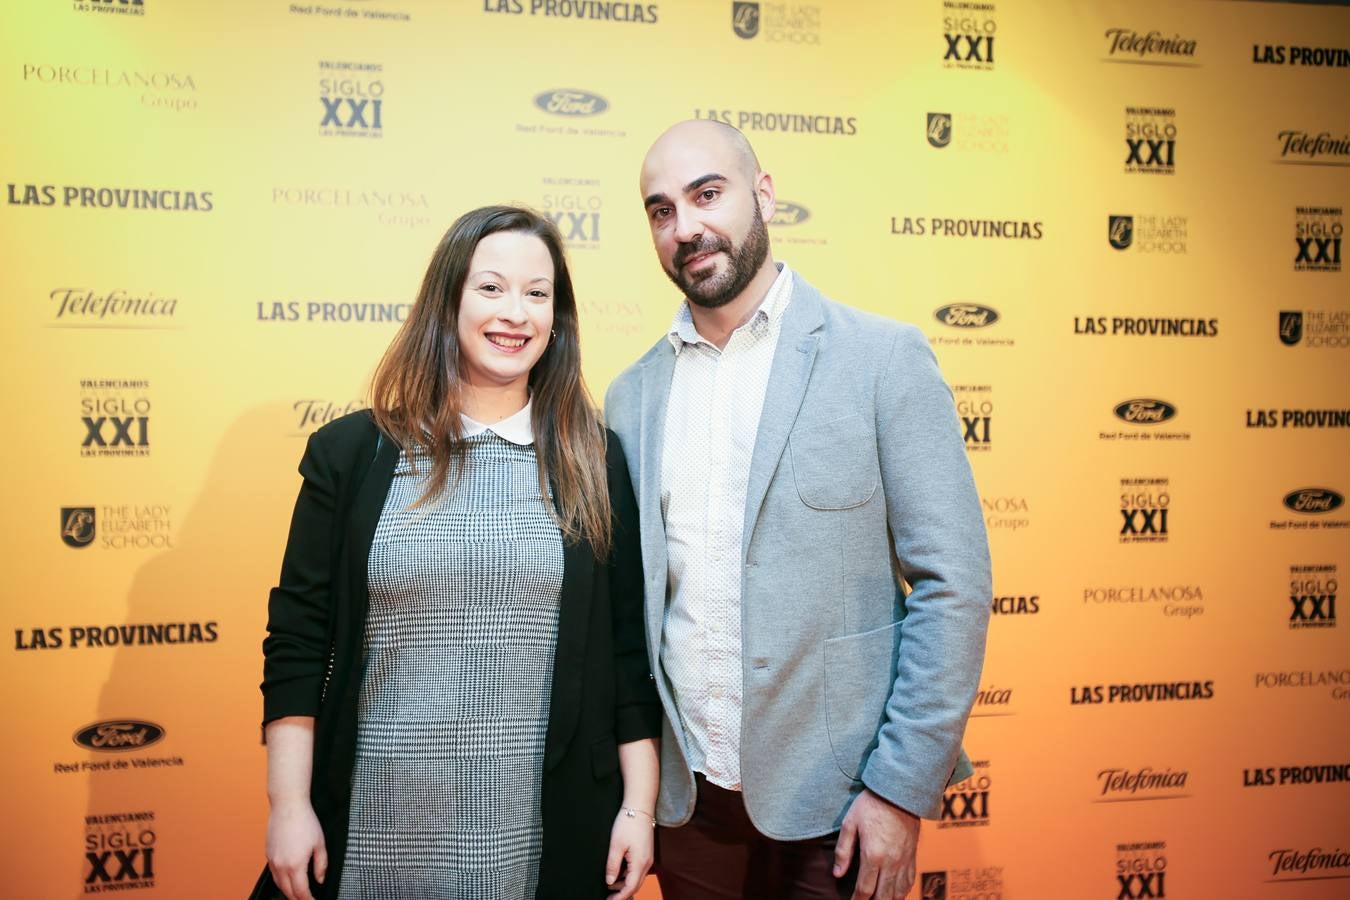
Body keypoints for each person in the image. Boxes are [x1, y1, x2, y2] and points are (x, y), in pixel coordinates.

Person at [604, 121, 992, 900]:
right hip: (690, 814)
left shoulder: (883, 359)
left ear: (764, 194)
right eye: (661, 211)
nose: (687, 227)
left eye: (706, 194)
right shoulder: (630, 397)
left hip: (843, 806)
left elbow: (953, 584)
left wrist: (898, 791)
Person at [260, 206, 661, 900]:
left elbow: (628, 656)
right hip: (374, 821)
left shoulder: (594, 460)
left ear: (558, 319)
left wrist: (639, 808)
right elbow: (296, 646)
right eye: (491, 288)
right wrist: (290, 806)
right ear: (447, 301)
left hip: (538, 832)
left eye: (538, 294)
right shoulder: (351, 454)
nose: (516, 313)